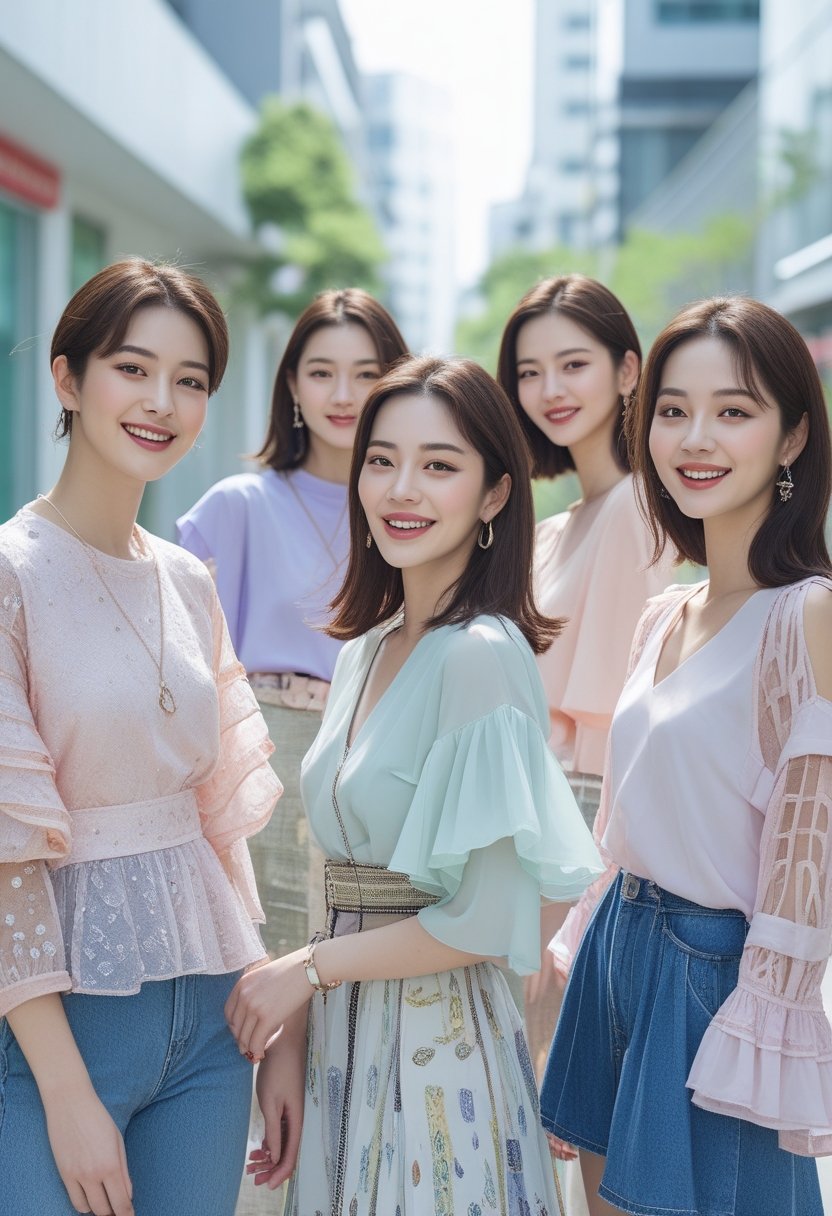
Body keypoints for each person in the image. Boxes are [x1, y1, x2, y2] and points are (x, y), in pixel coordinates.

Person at [224, 355, 603, 1214]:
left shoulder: (482, 655)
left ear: (495, 494)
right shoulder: (365, 649)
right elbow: (340, 879)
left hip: (441, 1053)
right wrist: (291, 1037)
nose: (402, 489)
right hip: (339, 1045)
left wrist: (305, 972)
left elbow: (485, 917)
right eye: (382, 460)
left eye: (439, 465)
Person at [0, 259, 282, 1216]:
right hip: (59, 1031)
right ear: (67, 378)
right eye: (132, 368)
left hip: (209, 1034)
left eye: (190, 380)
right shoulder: (11, 575)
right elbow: (5, 858)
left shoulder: (189, 580)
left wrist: (264, 1016)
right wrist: (66, 1092)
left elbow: (217, 824)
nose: (162, 401)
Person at [540, 296, 832, 1216]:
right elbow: (619, 819)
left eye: (733, 410)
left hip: (714, 975)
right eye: (673, 410)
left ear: (792, 436)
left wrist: (769, 1016)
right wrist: (577, 960)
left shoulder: (807, 616)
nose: (696, 438)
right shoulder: (666, 612)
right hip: (618, 944)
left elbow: (807, 862)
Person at [178, 290, 408, 957]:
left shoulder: (415, 508)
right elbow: (185, 674)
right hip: (264, 771)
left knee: (361, 987)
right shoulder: (237, 506)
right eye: (321, 372)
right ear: (292, 386)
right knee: (260, 979)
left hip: (384, 774)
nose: (343, 394)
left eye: (366, 373)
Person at [497, 275, 677, 1088]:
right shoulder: (556, 526)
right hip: (531, 847)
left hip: (573, 867)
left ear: (628, 370)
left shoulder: (638, 509)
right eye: (530, 372)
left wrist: (558, 913)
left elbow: (614, 742)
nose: (550, 390)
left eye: (573, 365)